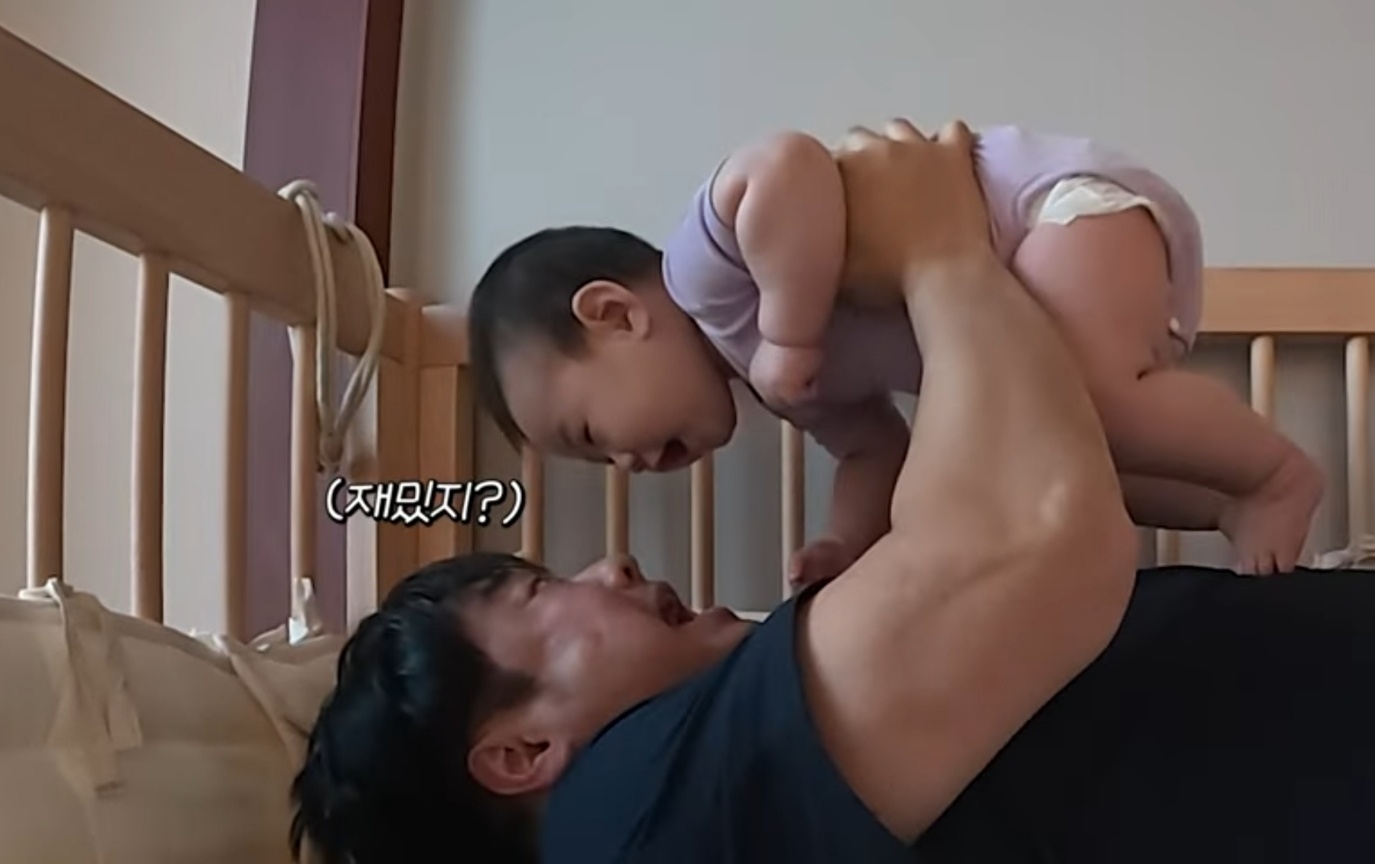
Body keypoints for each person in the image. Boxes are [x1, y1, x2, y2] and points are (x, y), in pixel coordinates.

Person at [290, 122, 1375, 864]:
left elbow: (924, 465)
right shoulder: (631, 818)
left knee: (1090, 414)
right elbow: (1040, 529)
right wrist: (938, 245)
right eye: (539, 595)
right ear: (520, 754)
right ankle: (1267, 474)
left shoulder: (727, 287)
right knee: (1094, 411)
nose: (610, 558)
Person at [466, 124, 1322, 585]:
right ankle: (1225, 503)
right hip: (1030, 278)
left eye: (589, 434)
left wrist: (790, 329)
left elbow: (787, 164)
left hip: (1045, 211)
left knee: (1091, 398)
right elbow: (875, 452)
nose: (622, 464)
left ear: (614, 314)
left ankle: (1275, 476)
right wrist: (844, 544)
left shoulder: (705, 273)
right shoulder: (781, 387)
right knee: (1069, 454)